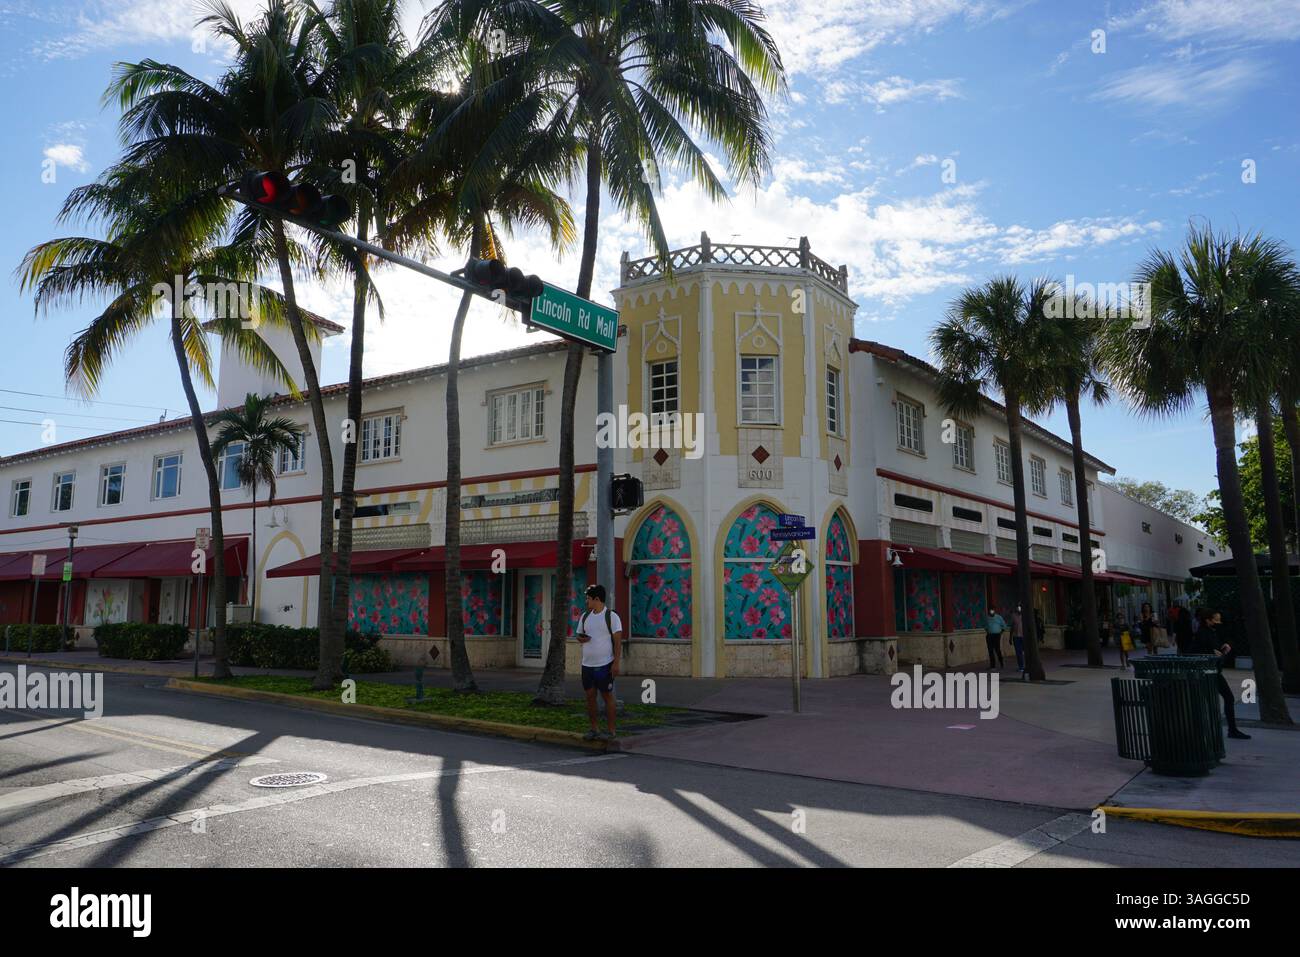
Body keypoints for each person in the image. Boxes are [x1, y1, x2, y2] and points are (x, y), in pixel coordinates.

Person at [576, 583, 623, 741]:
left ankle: (611, 731)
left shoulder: (611, 617)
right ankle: (594, 728)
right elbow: (579, 635)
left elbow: (617, 642)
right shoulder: (585, 616)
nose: (586, 601)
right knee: (590, 696)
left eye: (588, 598)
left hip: (604, 664)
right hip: (587, 664)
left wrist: (616, 663)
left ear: (597, 599)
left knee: (607, 696)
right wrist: (582, 638)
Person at [1193, 609, 1250, 740]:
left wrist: (1224, 646)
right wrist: (1211, 652)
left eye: (1219, 620)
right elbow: (1195, 650)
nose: (1218, 622)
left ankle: (1229, 729)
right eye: (1216, 620)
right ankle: (1228, 729)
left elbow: (1225, 640)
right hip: (1208, 672)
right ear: (1208, 620)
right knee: (1218, 699)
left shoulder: (1212, 631)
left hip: (1213, 671)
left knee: (1223, 699)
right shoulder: (1203, 633)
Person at [985, 606, 1007, 671]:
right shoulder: (987, 618)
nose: (991, 611)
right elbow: (985, 627)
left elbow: (1004, 626)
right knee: (990, 650)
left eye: (992, 610)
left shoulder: (999, 617)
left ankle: (1001, 663)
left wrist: (1000, 633)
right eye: (990, 610)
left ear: (995, 610)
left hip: (997, 635)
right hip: (989, 635)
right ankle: (993, 666)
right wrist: (989, 632)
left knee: (997, 650)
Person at [1010, 605, 1026, 675]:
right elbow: (1012, 626)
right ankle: (1021, 667)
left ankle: (1027, 665)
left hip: (1024, 636)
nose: (1019, 608)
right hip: (1016, 636)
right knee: (1018, 652)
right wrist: (1010, 637)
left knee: (1025, 652)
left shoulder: (1026, 615)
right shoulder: (1014, 616)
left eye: (1020, 607)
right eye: (1018, 607)